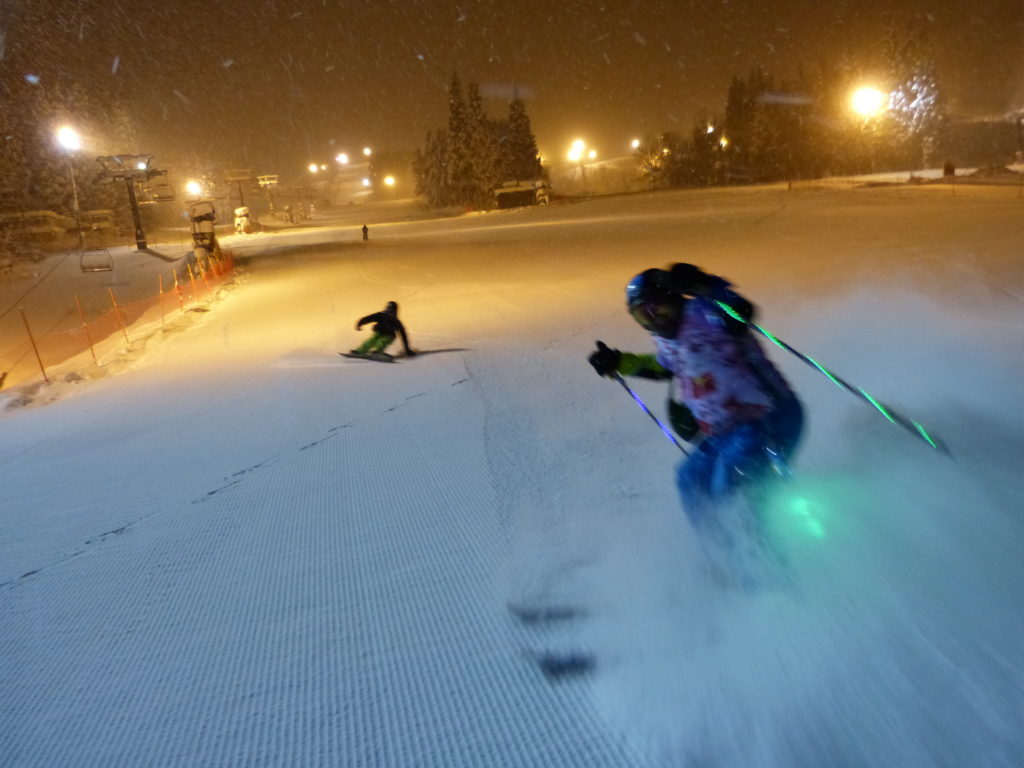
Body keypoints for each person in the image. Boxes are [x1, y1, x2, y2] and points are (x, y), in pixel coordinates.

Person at [588, 264, 803, 533]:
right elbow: (666, 366)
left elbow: (741, 313)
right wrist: (620, 362)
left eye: (660, 308)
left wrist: (704, 285)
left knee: (729, 485)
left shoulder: (704, 313)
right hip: (724, 433)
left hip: (768, 419)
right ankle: (717, 551)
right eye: (644, 316)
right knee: (690, 479)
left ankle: (758, 555)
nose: (656, 320)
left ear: (676, 298)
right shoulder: (667, 338)